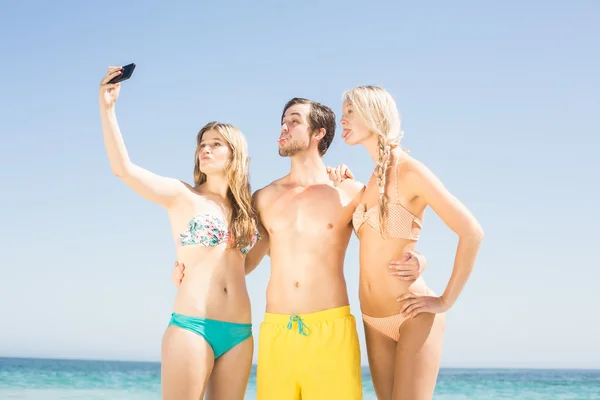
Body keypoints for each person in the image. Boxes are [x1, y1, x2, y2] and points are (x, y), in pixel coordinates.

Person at [172, 97, 428, 399]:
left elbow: (381, 245)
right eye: (283, 120)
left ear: (318, 133)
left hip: (330, 330)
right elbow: (243, 261)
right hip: (276, 333)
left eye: (294, 120)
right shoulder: (263, 197)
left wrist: (419, 261)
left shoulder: (347, 191)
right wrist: (197, 271)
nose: (284, 126)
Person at [98, 66, 259, 400]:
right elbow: (123, 169)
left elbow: (246, 264)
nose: (206, 150)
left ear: (236, 153)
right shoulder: (182, 195)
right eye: (203, 144)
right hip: (191, 325)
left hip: (240, 333)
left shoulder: (249, 211)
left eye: (216, 144)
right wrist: (108, 109)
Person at [340, 85, 484, 400]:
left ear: (372, 114)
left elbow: (472, 232)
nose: (342, 120)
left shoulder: (410, 171)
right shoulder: (367, 184)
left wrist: (445, 300)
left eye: (350, 112)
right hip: (373, 320)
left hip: (413, 315)